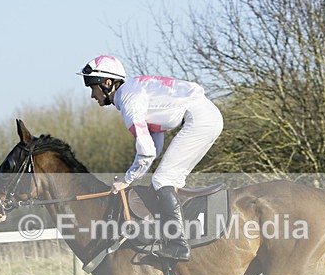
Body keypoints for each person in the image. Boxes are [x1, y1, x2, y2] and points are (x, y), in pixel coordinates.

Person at [77, 55, 224, 261]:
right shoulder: (133, 91)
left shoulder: (129, 101)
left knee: (163, 180)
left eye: (93, 87)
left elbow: (147, 151)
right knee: (164, 179)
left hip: (201, 118)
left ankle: (178, 245)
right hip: (206, 116)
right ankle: (177, 235)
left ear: (107, 83)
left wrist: (127, 180)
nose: (92, 95)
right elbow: (155, 144)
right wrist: (135, 175)